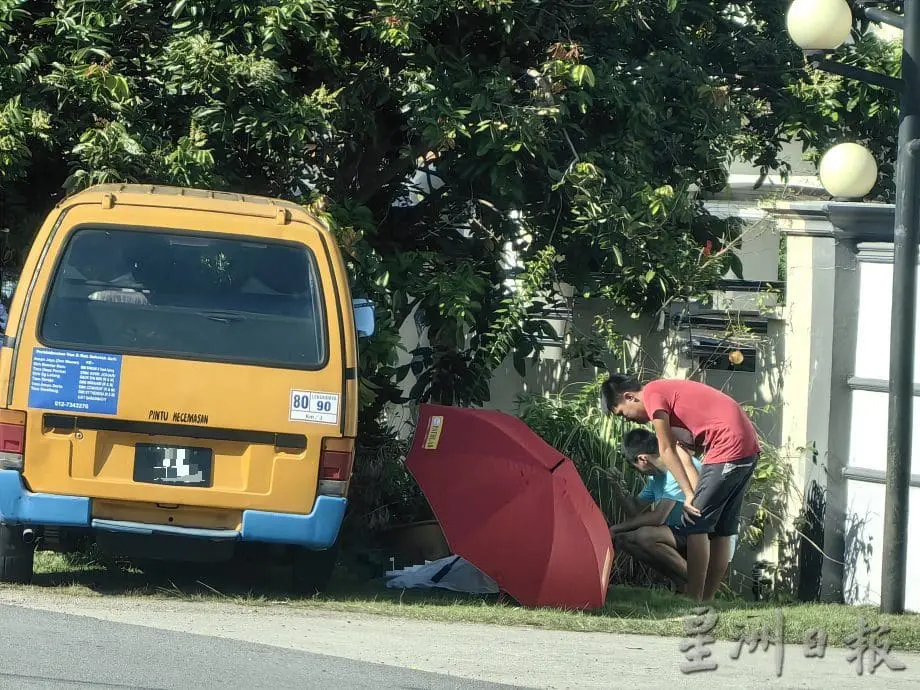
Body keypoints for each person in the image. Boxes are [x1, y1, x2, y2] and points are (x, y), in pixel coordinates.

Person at [601, 373, 759, 602]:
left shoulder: (653, 395)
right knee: (722, 529)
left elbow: (666, 450)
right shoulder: (667, 398)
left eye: (623, 414)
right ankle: (706, 600)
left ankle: (693, 599)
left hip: (729, 445)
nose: (629, 420)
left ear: (630, 397)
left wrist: (687, 494)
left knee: (695, 522)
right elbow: (683, 453)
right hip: (745, 447)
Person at [609, 428, 703, 591]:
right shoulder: (656, 477)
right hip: (680, 532)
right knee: (623, 539)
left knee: (645, 536)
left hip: (702, 534)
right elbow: (635, 511)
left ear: (643, 459)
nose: (635, 470)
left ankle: (699, 583)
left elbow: (658, 517)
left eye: (632, 466)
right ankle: (682, 585)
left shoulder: (676, 469)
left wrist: (615, 527)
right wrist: (618, 489)